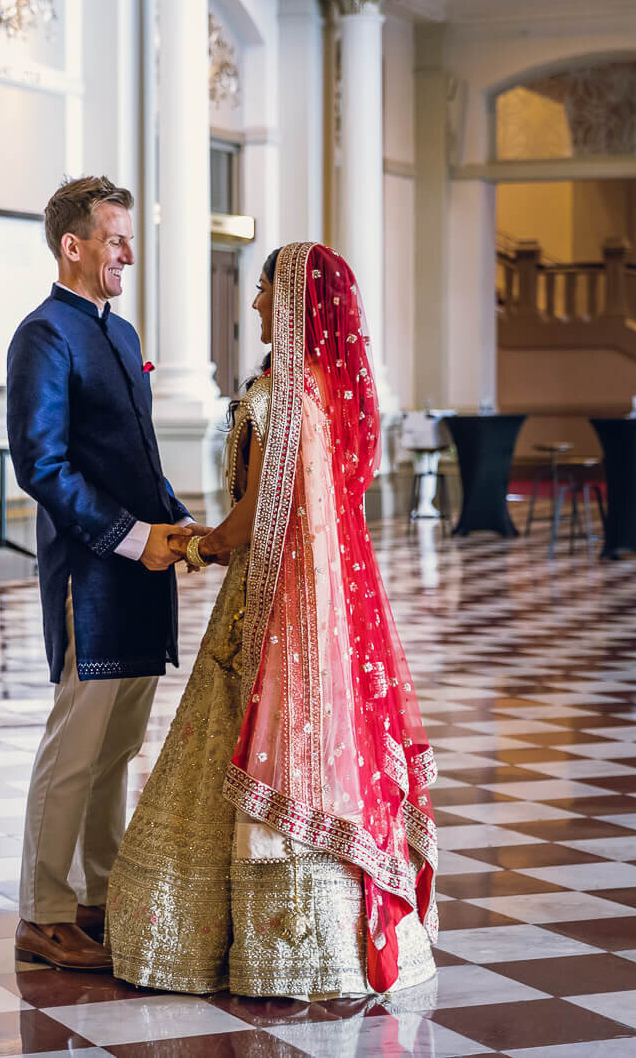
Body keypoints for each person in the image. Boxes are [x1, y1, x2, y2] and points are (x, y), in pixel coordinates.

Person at [105, 242, 439, 998]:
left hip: (270, 596)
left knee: (249, 731)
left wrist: (203, 543)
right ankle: (327, 938)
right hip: (317, 596)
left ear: (292, 304)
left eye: (262, 292)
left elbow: (261, 510)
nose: (255, 304)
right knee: (312, 735)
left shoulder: (287, 393)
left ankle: (259, 942)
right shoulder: (325, 389)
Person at [6, 176, 208, 971]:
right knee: (75, 745)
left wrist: (182, 527)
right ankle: (43, 911)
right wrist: (133, 537)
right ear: (74, 245)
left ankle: (99, 893)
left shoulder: (119, 336)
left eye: (127, 237)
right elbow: (43, 468)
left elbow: (137, 461)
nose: (128, 252)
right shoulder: (43, 336)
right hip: (87, 575)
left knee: (118, 745)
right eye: (116, 237)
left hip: (139, 568)